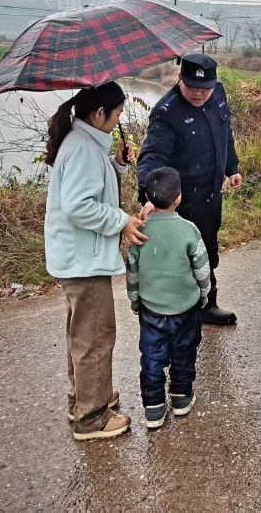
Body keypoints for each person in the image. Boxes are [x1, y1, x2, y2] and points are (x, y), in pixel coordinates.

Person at [43, 81, 149, 441]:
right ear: (99, 113)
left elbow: (90, 187)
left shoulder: (82, 142)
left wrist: (116, 165)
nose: (119, 118)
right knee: (97, 336)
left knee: (83, 335)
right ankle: (92, 416)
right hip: (84, 262)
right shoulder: (83, 148)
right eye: (117, 113)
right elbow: (79, 207)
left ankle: (86, 397)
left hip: (77, 258)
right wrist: (122, 221)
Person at [136, 53, 242, 326]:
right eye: (191, 87)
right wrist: (151, 197)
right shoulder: (167, 111)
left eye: (204, 88)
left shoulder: (217, 93)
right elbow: (152, 156)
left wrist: (232, 167)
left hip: (211, 192)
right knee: (183, 254)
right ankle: (177, 309)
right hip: (182, 199)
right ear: (179, 78)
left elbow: (225, 132)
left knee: (207, 248)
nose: (198, 94)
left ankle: (206, 304)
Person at [126, 167, 211, 429]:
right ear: (178, 198)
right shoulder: (189, 230)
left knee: (152, 358)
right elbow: (202, 269)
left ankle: (153, 408)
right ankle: (181, 398)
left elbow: (133, 273)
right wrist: (204, 294)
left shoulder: (139, 232)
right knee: (184, 353)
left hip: (151, 310)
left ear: (149, 198)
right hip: (186, 307)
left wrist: (135, 301)